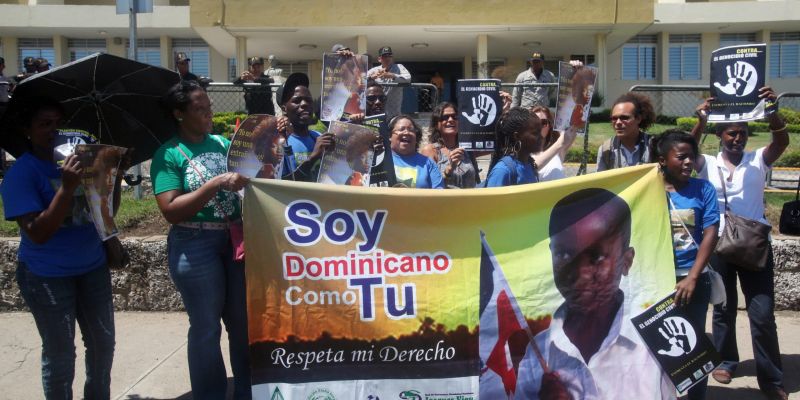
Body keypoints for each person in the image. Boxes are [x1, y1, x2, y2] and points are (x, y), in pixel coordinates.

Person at [1, 97, 119, 399]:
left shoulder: (82, 164)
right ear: (27, 131)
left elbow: (105, 214)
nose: (54, 130)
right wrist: (66, 188)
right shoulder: (22, 174)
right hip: (46, 276)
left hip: (91, 268)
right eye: (44, 124)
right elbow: (38, 233)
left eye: (58, 123)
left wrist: (110, 178)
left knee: (103, 343)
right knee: (60, 353)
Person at [517, 188, 674, 400]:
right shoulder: (539, 351)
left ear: (626, 261)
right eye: (563, 254)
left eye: (597, 257)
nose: (580, 273)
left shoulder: (659, 340)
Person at [150, 81, 252, 400]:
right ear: (179, 114)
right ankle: (210, 394)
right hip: (194, 244)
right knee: (207, 327)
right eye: (199, 108)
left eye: (209, 106)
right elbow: (170, 210)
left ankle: (248, 392)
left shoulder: (223, 144)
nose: (208, 112)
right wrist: (215, 184)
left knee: (242, 324)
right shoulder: (167, 154)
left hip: (233, 240)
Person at [692, 87, 789, 400]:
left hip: (754, 245)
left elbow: (781, 142)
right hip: (717, 245)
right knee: (723, 308)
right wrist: (701, 121)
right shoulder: (707, 162)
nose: (738, 138)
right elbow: (686, 150)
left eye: (743, 133)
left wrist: (772, 110)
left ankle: (771, 378)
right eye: (733, 133)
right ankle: (726, 361)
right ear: (721, 134)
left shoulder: (757, 160)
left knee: (762, 314)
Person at [652, 129, 720, 400]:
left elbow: (711, 232)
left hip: (694, 280)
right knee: (658, 346)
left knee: (693, 346)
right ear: (663, 159)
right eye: (681, 157)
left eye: (692, 157)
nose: (688, 162)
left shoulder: (703, 189)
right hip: (658, 281)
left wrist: (692, 277)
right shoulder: (649, 189)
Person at [278, 72, 334, 181]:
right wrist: (313, 157)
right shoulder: (280, 143)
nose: (304, 104)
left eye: (308, 100)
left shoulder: (319, 137)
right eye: (296, 101)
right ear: (284, 108)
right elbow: (281, 185)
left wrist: (333, 155)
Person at [420, 101, 480, 188]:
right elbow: (427, 185)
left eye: (455, 117)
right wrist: (448, 170)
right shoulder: (430, 151)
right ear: (437, 125)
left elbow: (495, 145)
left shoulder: (468, 148)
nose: (451, 120)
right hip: (444, 201)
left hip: (469, 200)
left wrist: (502, 111)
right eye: (445, 117)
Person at [596, 92, 656, 172]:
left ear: (638, 118)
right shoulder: (606, 150)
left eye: (624, 118)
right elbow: (600, 181)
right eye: (614, 118)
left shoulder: (654, 146)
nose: (618, 123)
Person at [484, 107, 542, 187]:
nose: (541, 137)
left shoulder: (530, 164)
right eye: (535, 133)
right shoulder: (502, 171)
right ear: (517, 136)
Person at [388, 114, 443, 189]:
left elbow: (439, 194)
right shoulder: (380, 160)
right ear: (390, 136)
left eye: (411, 130)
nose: (406, 132)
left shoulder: (428, 163)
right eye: (401, 129)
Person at [531, 106, 577, 182]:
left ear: (549, 126)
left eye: (543, 123)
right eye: (533, 122)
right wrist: (559, 143)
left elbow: (574, 128)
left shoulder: (559, 150)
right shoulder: (524, 152)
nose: (538, 127)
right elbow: (533, 167)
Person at [367, 46, 411, 119]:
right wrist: (371, 78)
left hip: (394, 112)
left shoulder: (399, 67)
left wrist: (392, 76)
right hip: (377, 112)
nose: (387, 58)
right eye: (384, 56)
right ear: (379, 59)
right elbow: (360, 82)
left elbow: (408, 79)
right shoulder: (374, 70)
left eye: (389, 56)